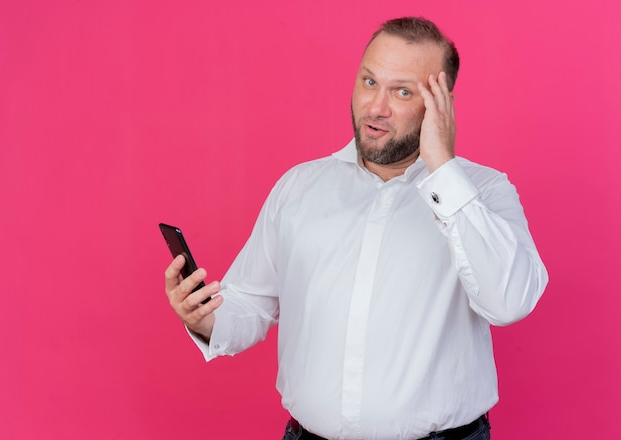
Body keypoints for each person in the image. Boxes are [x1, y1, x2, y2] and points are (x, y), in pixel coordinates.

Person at [164, 16, 548, 440]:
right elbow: (251, 303)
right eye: (369, 82)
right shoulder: (298, 188)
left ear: (441, 104)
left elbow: (510, 302)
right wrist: (202, 318)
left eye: (402, 91)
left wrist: (443, 169)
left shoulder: (483, 192)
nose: (376, 107)